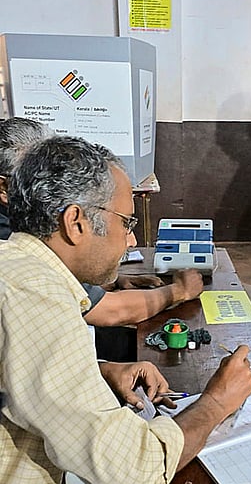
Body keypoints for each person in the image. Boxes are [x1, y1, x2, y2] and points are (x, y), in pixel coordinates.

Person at [0, 135, 251, 484]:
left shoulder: (16, 267)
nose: (132, 242)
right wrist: (215, 404)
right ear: (76, 222)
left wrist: (98, 368)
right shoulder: (33, 291)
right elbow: (131, 472)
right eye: (127, 223)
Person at [0, 117, 203, 361]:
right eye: (37, 173)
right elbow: (107, 311)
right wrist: (179, 291)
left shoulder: (32, 247)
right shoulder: (31, 279)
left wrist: (106, 369)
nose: (131, 242)